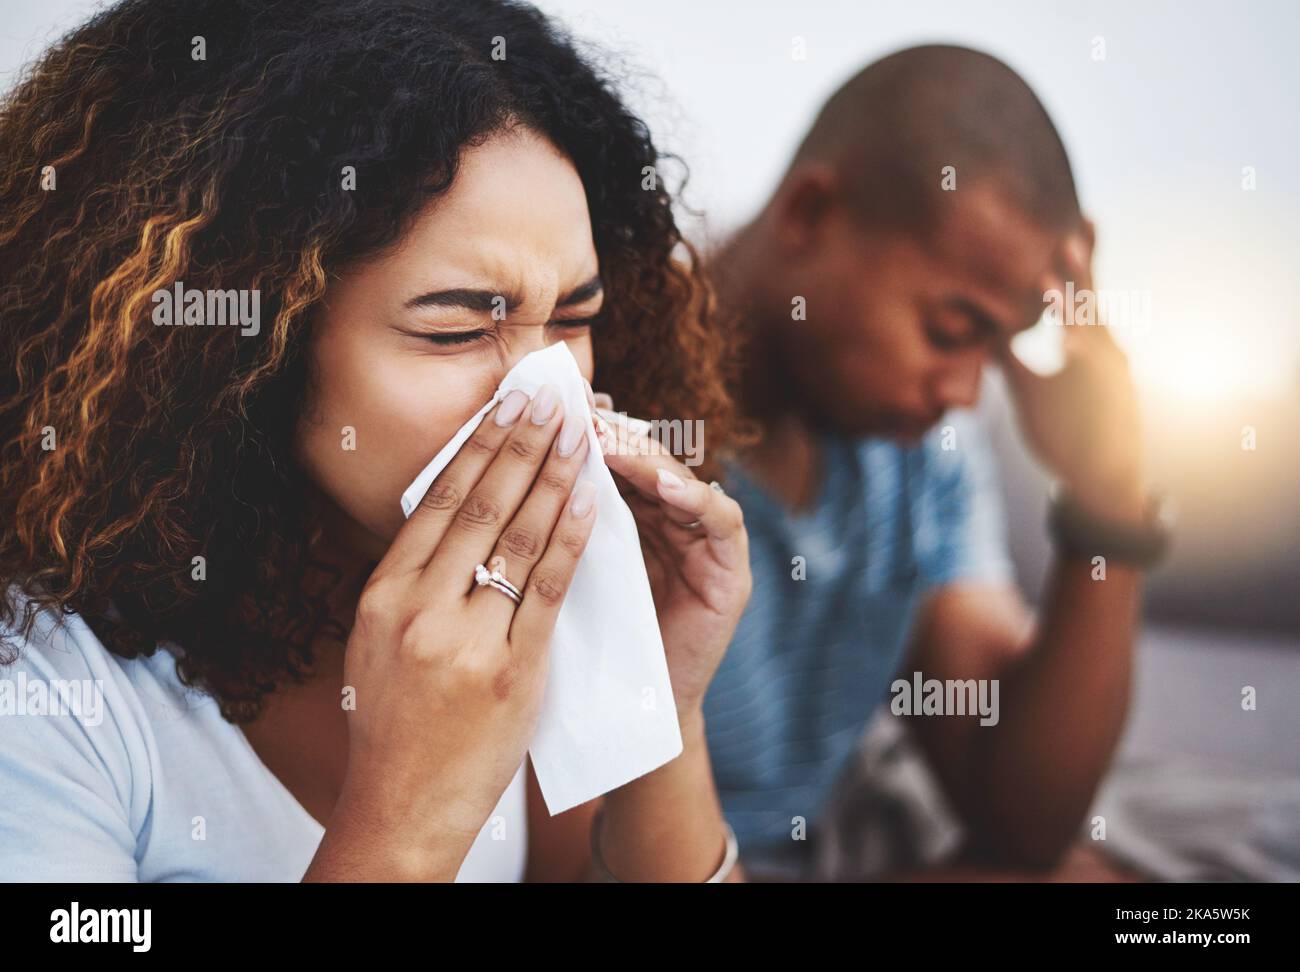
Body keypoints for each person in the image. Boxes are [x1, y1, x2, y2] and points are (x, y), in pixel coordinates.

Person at [0, 0, 752, 883]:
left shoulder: (510, 622)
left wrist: (654, 703)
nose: (555, 399)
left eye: (575, 320)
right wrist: (406, 813)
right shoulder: (48, 696)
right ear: (246, 351)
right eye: (456, 332)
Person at [696, 44, 1167, 879]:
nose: (963, 391)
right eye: (952, 333)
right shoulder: (613, 396)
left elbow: (1023, 820)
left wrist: (1108, 502)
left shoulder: (918, 449)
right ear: (810, 214)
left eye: (994, 346)